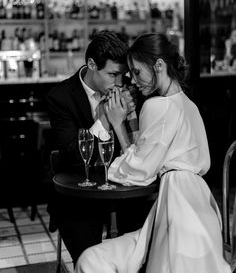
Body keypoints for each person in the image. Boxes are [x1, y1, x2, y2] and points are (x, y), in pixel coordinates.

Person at [76, 33, 231, 273]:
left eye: (137, 72)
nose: (133, 80)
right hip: (203, 207)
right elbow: (149, 155)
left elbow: (138, 171)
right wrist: (132, 122)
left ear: (158, 65)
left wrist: (117, 125)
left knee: (93, 259)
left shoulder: (155, 105)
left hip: (178, 207)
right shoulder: (190, 105)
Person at [46, 30, 150, 266]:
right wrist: (104, 119)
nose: (119, 82)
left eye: (122, 75)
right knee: (89, 259)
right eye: (112, 74)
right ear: (92, 64)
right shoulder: (60, 97)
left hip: (124, 192)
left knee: (144, 245)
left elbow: (137, 147)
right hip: (79, 196)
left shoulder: (130, 93)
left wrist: (126, 120)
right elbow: (73, 154)